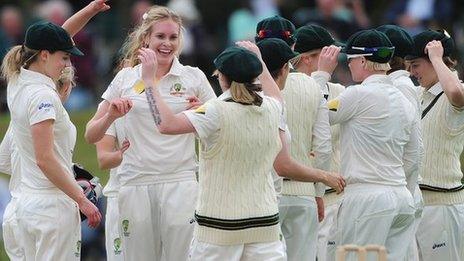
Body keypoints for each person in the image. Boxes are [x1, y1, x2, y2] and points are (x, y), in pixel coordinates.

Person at [138, 37, 344, 260]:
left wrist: (149, 82)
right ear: (255, 76)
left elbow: (165, 124)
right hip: (264, 225)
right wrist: (258, 58)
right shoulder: (273, 108)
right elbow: (274, 93)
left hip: (219, 230)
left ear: (222, 78)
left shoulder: (214, 111)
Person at [84, 5, 217, 261]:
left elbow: (218, 131)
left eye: (173, 37)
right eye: (160, 37)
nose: (167, 44)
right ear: (146, 38)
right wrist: (110, 115)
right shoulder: (125, 79)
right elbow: (91, 134)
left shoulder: (194, 77)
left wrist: (203, 112)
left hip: (180, 182)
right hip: (136, 184)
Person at [325, 29, 419, 261]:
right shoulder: (404, 100)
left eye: (351, 60)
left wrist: (320, 76)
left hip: (367, 198)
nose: (348, 65)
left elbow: (318, 115)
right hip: (401, 197)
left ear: (364, 61)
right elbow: (415, 154)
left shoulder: (357, 95)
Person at [254, 17, 333, 260]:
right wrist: (318, 191)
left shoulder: (249, 86)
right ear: (294, 45)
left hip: (263, 194)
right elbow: (323, 146)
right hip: (303, 195)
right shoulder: (312, 87)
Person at [405, 29, 464, 261]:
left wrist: (437, 58)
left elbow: (455, 93)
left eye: (416, 65)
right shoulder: (419, 94)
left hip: (443, 205)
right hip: (416, 204)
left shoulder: (456, 88)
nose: (412, 72)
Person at [290, 24, 346, 261]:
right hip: (297, 193)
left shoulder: (340, 90)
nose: (333, 60)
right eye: (325, 54)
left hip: (334, 198)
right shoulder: (286, 87)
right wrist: (320, 77)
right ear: (306, 58)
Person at [376, 24, 424, 261]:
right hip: (400, 191)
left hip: (400, 191)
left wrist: (402, 190)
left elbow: (414, 149)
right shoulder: (395, 86)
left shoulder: (400, 87)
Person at [95, 118, 129, 261]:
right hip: (120, 194)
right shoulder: (111, 103)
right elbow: (103, 160)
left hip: (166, 192)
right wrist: (120, 154)